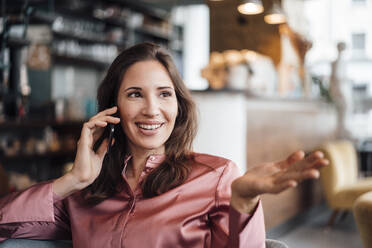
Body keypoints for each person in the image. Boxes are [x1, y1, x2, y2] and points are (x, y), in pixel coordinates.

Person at [0, 43, 328, 248]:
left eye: (164, 93)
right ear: (111, 108)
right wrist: (72, 181)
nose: (151, 109)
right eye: (134, 94)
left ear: (178, 106)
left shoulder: (214, 176)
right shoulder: (87, 191)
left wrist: (243, 201)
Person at [329, 42, 353, 139]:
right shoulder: (338, 62)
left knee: (343, 112)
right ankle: (341, 132)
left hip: (340, 89)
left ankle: (341, 131)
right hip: (340, 90)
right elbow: (337, 77)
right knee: (343, 110)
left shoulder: (340, 61)